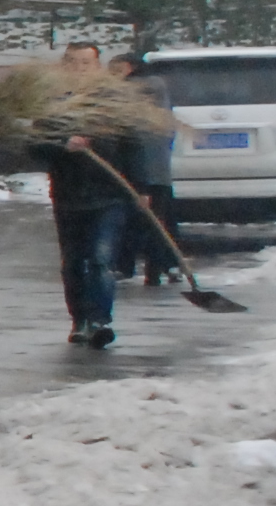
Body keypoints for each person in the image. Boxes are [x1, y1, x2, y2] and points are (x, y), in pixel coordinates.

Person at [33, 46, 142, 349]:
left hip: (109, 194)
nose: (80, 67)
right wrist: (62, 145)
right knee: (73, 263)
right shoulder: (51, 105)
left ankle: (99, 320)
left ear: (98, 66)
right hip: (68, 196)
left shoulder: (114, 103)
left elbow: (134, 145)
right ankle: (79, 319)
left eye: (86, 62)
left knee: (100, 259)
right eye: (73, 62)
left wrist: (142, 187)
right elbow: (34, 147)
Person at [111, 54, 185, 287]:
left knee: (153, 220)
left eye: (117, 70)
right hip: (144, 166)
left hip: (149, 167)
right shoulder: (150, 88)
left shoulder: (149, 86)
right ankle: (143, 266)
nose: (112, 75)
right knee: (143, 220)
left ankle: (159, 268)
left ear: (131, 68)